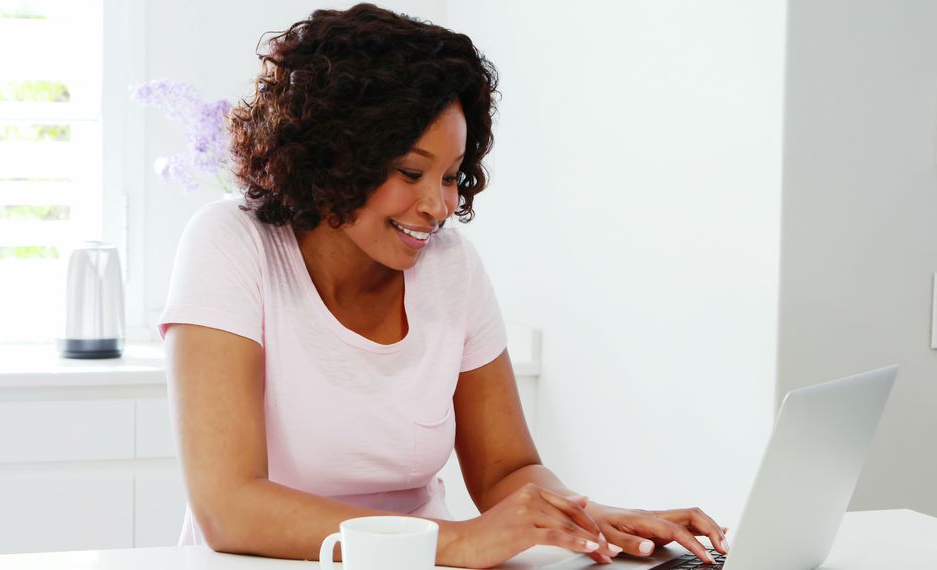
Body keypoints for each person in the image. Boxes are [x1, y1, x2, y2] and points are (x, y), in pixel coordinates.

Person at [160, 4, 727, 568]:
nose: (439, 207)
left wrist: (585, 518)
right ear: (336, 156)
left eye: (452, 175)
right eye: (411, 172)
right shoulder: (232, 244)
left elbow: (507, 471)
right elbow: (228, 508)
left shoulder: (452, 268)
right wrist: (450, 542)